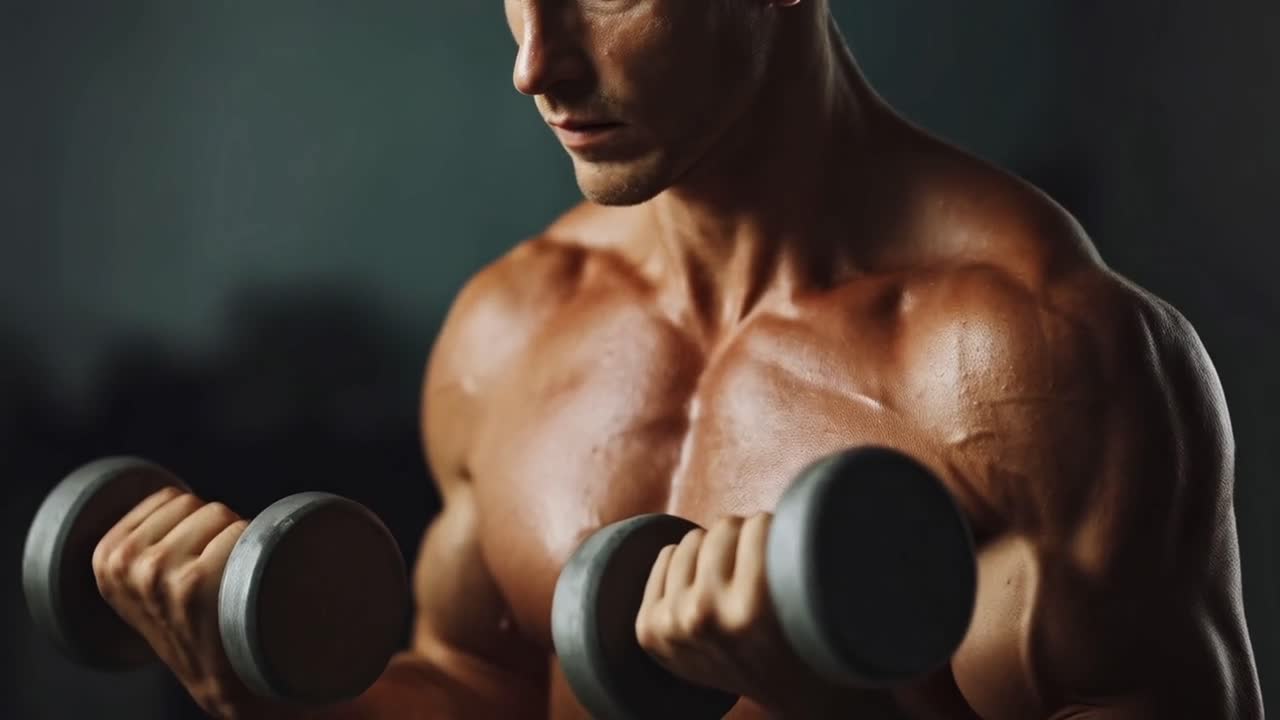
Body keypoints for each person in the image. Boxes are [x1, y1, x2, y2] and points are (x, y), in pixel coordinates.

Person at [91, 1, 1264, 718]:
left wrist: (836, 716)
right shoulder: (508, 331)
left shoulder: (1033, 362)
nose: (535, 64)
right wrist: (277, 696)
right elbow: (485, 689)